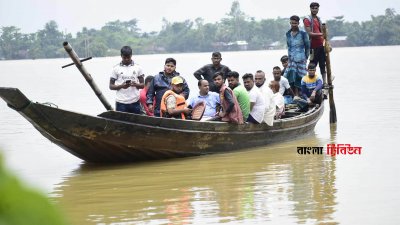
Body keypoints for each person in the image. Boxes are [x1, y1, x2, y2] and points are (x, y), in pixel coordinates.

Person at [109, 46, 144, 114]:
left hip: (135, 102)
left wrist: (135, 84)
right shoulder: (115, 68)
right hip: (121, 103)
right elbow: (111, 86)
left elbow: (142, 85)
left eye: (128, 57)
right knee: (121, 124)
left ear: (131, 55)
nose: (127, 59)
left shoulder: (138, 67)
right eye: (124, 57)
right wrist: (121, 86)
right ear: (121, 56)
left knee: (135, 123)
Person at [285, 15, 310, 98]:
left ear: (298, 23)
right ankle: (294, 94)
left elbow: (307, 46)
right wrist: (289, 58)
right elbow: (289, 46)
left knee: (300, 76)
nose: (293, 25)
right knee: (291, 75)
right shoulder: (288, 34)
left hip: (301, 58)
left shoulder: (303, 33)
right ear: (290, 23)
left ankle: (299, 94)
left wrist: (306, 57)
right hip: (291, 59)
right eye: (292, 23)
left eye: (295, 23)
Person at [303, 2, 326, 85]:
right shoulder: (307, 19)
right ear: (310, 9)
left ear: (318, 9)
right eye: (313, 8)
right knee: (312, 65)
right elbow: (310, 33)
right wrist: (322, 34)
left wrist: (323, 36)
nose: (314, 10)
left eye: (316, 8)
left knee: (323, 64)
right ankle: (309, 82)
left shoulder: (318, 19)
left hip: (321, 45)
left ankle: (325, 82)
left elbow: (321, 30)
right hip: (313, 46)